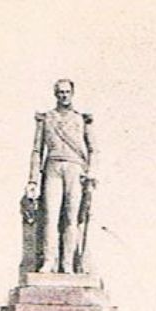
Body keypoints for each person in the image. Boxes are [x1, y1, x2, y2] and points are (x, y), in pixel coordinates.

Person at [26, 78, 95, 273]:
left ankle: (67, 264)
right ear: (55, 94)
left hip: (75, 168)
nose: (63, 95)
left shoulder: (82, 119)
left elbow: (94, 149)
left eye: (66, 92)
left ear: (72, 93)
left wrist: (91, 172)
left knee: (72, 218)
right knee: (51, 216)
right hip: (53, 166)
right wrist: (32, 179)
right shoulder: (46, 118)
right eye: (60, 92)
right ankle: (49, 261)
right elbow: (37, 151)